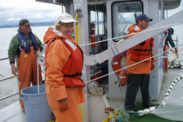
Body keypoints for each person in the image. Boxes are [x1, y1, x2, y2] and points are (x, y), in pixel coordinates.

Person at [44, 13, 85, 122]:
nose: (70, 29)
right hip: (62, 93)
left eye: (71, 26)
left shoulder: (66, 41)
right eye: (66, 26)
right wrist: (61, 98)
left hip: (67, 90)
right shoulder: (58, 44)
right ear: (58, 28)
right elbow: (53, 74)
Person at [8, 19, 43, 112]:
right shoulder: (15, 39)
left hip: (36, 64)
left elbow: (42, 47)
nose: (29, 27)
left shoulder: (34, 36)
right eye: (27, 25)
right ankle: (25, 108)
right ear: (21, 27)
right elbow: (11, 52)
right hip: (24, 66)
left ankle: (38, 102)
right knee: (24, 85)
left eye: (29, 25)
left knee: (38, 84)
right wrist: (12, 65)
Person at [125, 14, 156, 111]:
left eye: (148, 22)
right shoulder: (132, 33)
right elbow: (133, 45)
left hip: (146, 63)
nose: (148, 23)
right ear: (139, 22)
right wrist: (141, 40)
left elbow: (150, 49)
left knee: (145, 86)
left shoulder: (147, 32)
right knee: (132, 87)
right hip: (135, 64)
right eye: (146, 21)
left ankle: (147, 103)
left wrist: (152, 61)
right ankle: (129, 107)